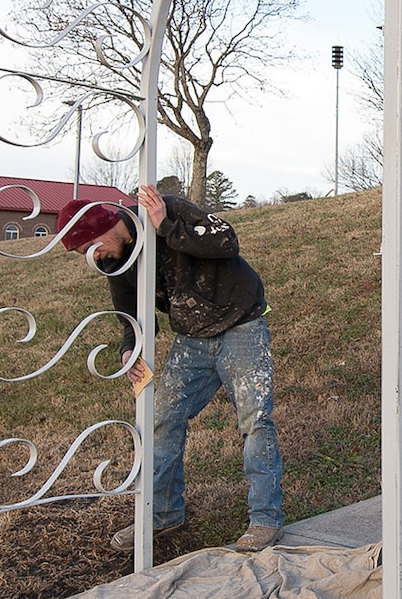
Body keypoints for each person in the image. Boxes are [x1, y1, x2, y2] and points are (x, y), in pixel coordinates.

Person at [58, 183, 283, 553]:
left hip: (241, 322)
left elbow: (227, 242)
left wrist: (166, 226)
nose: (94, 257)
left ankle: (265, 520)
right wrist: (130, 347)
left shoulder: (169, 209)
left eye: (89, 247)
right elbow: (129, 313)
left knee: (255, 421)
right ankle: (162, 515)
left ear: (102, 226)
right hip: (191, 338)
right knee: (162, 419)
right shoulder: (116, 261)